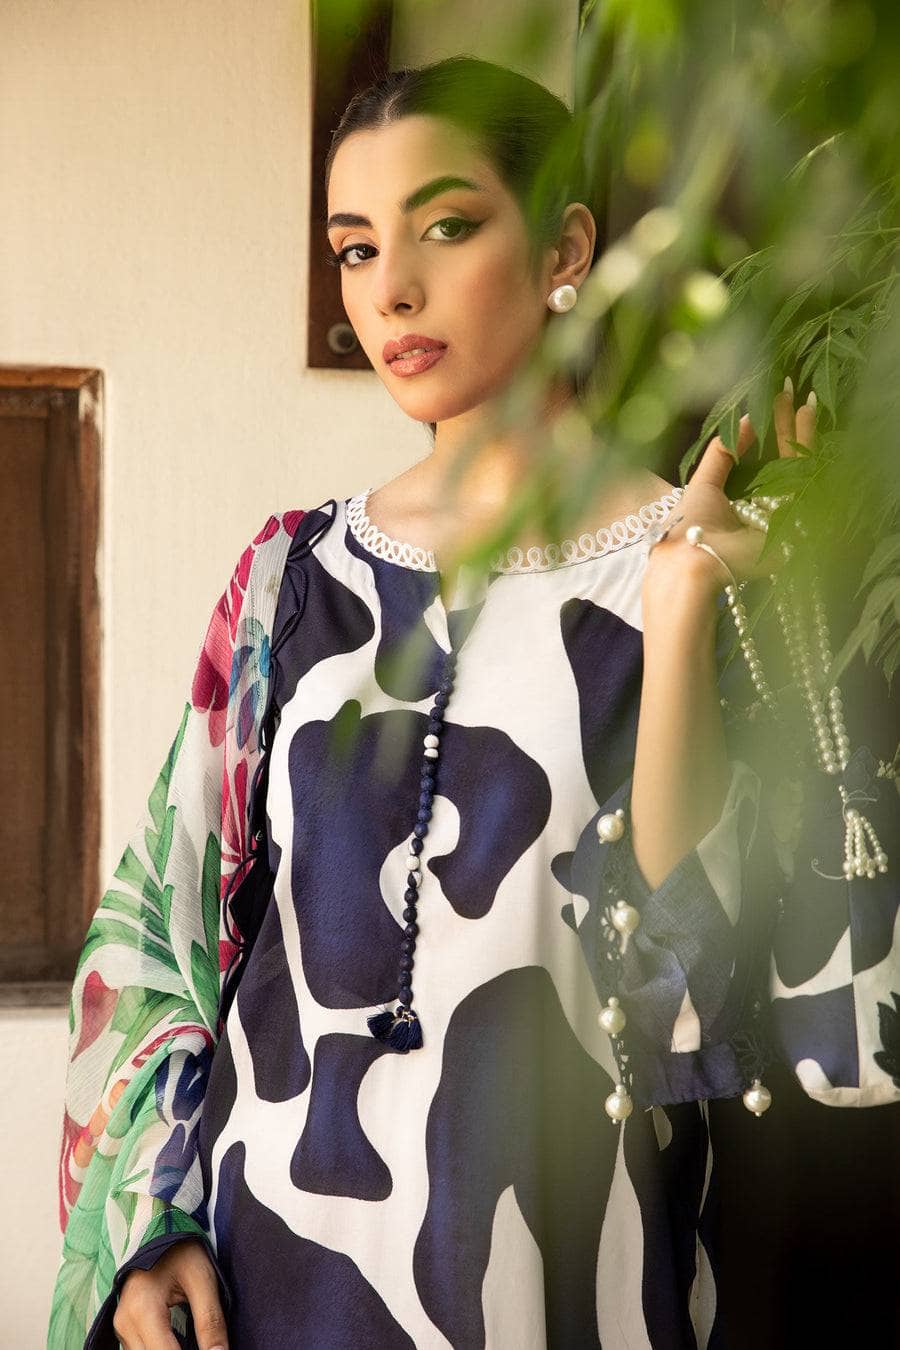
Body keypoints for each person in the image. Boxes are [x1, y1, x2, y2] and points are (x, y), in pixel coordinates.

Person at [48, 57, 899, 1350]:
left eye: (446, 226)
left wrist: (675, 625)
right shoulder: (289, 578)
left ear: (566, 245)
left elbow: (701, 1013)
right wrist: (152, 1224)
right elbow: (155, 935)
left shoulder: (719, 562)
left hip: (574, 1277)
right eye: (354, 246)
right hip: (270, 1275)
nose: (390, 287)